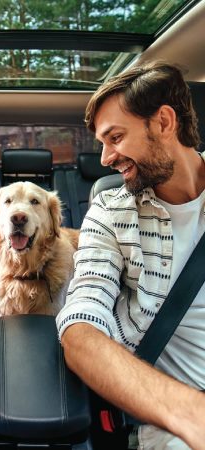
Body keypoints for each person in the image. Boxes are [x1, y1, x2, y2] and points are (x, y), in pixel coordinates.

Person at [56, 61, 205, 450]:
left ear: (164, 123)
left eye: (115, 137)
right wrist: (190, 413)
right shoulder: (109, 212)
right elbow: (81, 328)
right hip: (173, 418)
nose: (105, 158)